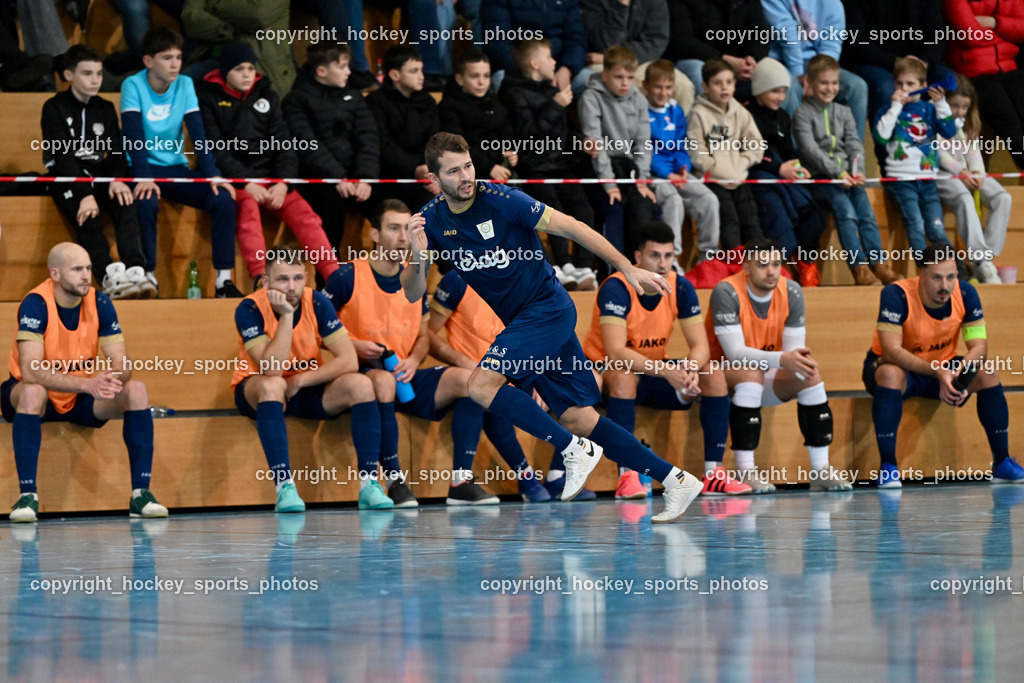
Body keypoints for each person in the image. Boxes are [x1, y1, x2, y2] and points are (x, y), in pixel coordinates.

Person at [404, 132, 704, 523]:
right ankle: (677, 480)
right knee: (579, 417)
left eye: (468, 166)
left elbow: (574, 227)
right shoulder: (430, 221)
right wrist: (418, 255)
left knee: (479, 385)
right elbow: (413, 292)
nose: (465, 177)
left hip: (548, 309)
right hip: (526, 322)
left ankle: (572, 449)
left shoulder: (504, 199)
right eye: (453, 171)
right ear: (433, 178)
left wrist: (627, 268)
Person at [324, 199, 500, 507]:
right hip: (362, 374)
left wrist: (415, 360)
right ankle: (394, 481)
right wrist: (352, 347)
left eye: (407, 229)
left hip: (404, 371)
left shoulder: (415, 277)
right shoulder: (346, 276)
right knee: (382, 381)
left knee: (469, 380)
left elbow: (423, 335)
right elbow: (317, 330)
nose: (402, 237)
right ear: (374, 234)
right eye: (393, 228)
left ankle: (460, 480)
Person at [581, 221, 751, 498]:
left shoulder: (680, 287)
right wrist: (666, 371)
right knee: (624, 376)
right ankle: (627, 476)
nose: (662, 264)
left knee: (712, 373)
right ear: (638, 257)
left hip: (653, 371)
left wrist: (690, 368)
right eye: (654, 255)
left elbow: (700, 346)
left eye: (668, 256)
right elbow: (616, 352)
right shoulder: (617, 287)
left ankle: (714, 474)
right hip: (607, 372)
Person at [2, 243, 169, 523]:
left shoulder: (100, 302)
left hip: (79, 396)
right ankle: (27, 496)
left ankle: (141, 494)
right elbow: (31, 371)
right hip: (36, 396)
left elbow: (123, 365)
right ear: (55, 274)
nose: (86, 276)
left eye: (89, 268)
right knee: (33, 393)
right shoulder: (36, 303)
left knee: (136, 390)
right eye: (77, 269)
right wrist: (87, 385)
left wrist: (111, 378)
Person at [231, 247, 387, 512]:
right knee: (273, 385)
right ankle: (284, 487)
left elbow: (349, 360)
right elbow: (271, 368)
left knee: (361, 384)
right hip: (259, 388)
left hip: (305, 385)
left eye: (297, 278)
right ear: (266, 281)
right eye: (282, 279)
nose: (291, 287)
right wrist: (286, 315)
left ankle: (369, 484)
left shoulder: (317, 302)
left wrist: (301, 380)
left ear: (306, 277)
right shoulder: (249, 308)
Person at [863, 244, 1024, 487]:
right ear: (921, 274)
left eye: (951, 277)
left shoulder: (966, 293)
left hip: (944, 368)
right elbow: (891, 351)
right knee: (889, 374)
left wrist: (961, 375)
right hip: (901, 368)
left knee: (987, 372)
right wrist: (937, 372)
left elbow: (979, 348)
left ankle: (1001, 462)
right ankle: (888, 467)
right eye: (936, 278)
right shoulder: (896, 294)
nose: (945, 286)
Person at [705, 237, 854, 493]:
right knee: (750, 373)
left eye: (776, 264)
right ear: (746, 266)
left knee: (809, 373)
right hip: (718, 376)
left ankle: (821, 469)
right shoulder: (726, 291)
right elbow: (735, 354)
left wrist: (792, 361)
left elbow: (794, 353)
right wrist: (783, 359)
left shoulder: (791, 291)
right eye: (762, 265)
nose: (771, 271)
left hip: (761, 376)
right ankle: (745, 470)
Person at [197, 42, 339, 290]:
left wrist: (283, 182)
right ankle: (260, 279)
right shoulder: (209, 98)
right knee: (248, 214)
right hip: (239, 182)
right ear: (225, 72)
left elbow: (284, 144)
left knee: (307, 217)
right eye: (239, 69)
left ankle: (334, 275)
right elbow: (216, 149)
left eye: (250, 68)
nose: (246, 74)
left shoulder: (267, 95)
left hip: (273, 180)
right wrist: (245, 183)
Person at [120, 27, 241, 297]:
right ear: (148, 61)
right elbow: (133, 135)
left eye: (178, 57)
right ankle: (149, 277)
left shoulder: (185, 84)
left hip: (176, 168)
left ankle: (223, 281)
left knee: (222, 197)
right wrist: (142, 176)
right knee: (145, 201)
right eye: (166, 58)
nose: (175, 64)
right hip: (142, 167)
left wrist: (213, 174)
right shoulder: (132, 85)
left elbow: (198, 132)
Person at [428, 268, 554, 502]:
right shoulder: (457, 280)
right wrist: (461, 360)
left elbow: (535, 338)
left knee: (573, 389)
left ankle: (558, 476)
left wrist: (540, 378)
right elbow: (427, 334)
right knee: (480, 389)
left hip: (512, 374)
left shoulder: (524, 280)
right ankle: (521, 476)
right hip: (471, 376)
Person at [42, 45, 154, 300]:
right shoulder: (53, 107)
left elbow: (115, 151)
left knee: (125, 200)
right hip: (66, 177)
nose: (95, 80)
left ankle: (136, 270)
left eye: (99, 74)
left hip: (98, 174)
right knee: (88, 215)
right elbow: (62, 158)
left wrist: (116, 180)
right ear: (69, 75)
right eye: (87, 74)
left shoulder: (105, 107)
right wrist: (84, 194)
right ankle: (109, 277)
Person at [498, 38, 600, 290]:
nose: (555, 62)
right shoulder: (514, 94)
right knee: (552, 212)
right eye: (549, 56)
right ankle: (564, 266)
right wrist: (555, 106)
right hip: (534, 168)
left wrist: (581, 141)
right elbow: (529, 137)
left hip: (561, 166)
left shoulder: (552, 92)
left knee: (585, 209)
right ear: (534, 63)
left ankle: (585, 267)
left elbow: (563, 132)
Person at [794, 55, 894, 286]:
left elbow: (854, 143)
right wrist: (839, 173)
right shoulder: (802, 114)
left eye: (834, 82)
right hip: (823, 177)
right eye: (824, 82)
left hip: (849, 175)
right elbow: (810, 151)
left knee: (866, 214)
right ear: (810, 83)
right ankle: (859, 268)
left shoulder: (843, 111)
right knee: (846, 212)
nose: (830, 88)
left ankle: (879, 264)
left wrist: (857, 169)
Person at [282, 41, 379, 252]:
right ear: (321, 71)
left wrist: (365, 177)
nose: (348, 72)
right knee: (330, 210)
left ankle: (387, 269)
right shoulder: (296, 100)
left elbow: (368, 138)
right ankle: (329, 272)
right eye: (342, 66)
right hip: (316, 178)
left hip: (354, 177)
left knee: (387, 208)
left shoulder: (354, 97)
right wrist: (336, 177)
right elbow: (306, 144)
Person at [745, 57, 825, 286]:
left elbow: (788, 149)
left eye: (783, 91)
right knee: (778, 216)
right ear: (760, 89)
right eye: (774, 91)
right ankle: (777, 269)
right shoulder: (747, 114)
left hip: (783, 174)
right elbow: (751, 153)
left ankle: (806, 264)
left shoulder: (782, 116)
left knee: (814, 211)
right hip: (759, 174)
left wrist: (797, 166)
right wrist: (779, 167)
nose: (780, 97)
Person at [874, 56, 958, 266]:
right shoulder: (886, 110)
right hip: (901, 181)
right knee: (916, 225)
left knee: (937, 229)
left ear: (923, 85)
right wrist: (895, 107)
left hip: (928, 181)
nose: (904, 89)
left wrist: (941, 104)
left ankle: (954, 272)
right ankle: (925, 272)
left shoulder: (930, 110)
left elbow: (949, 132)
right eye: (899, 84)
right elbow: (881, 138)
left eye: (910, 84)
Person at [579, 44, 657, 258]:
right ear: (604, 74)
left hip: (628, 167)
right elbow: (596, 144)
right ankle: (613, 267)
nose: (625, 83)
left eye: (630, 78)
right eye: (619, 77)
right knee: (613, 207)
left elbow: (643, 143)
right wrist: (610, 184)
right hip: (599, 167)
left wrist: (642, 179)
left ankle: (638, 265)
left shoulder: (639, 99)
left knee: (643, 204)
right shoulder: (591, 97)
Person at [643, 58, 720, 268]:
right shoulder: (640, 110)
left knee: (709, 199)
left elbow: (680, 144)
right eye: (658, 87)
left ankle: (708, 258)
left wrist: (683, 167)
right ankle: (672, 259)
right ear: (646, 86)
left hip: (676, 172)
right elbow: (643, 150)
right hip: (653, 175)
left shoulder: (675, 110)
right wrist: (668, 174)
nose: (663, 92)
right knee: (673, 200)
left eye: (668, 87)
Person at [935, 74, 1009, 284]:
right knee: (965, 199)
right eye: (955, 106)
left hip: (966, 172)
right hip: (944, 173)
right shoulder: (934, 118)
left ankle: (986, 259)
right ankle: (980, 257)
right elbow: (938, 152)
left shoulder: (967, 124)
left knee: (1002, 197)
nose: (960, 111)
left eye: (964, 107)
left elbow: (973, 151)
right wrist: (960, 171)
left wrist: (977, 172)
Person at [687, 59, 763, 250]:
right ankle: (734, 263)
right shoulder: (697, 114)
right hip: (713, 180)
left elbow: (756, 145)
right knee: (730, 222)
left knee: (751, 221)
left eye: (729, 82)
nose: (724, 87)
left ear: (735, 84)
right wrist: (715, 168)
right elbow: (697, 153)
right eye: (717, 83)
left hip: (738, 178)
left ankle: (760, 262)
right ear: (705, 86)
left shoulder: (740, 112)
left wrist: (742, 162)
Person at [943, 0, 1024, 170]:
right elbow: (970, 35)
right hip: (973, 70)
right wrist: (1007, 35)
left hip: (1009, 66)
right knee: (1010, 125)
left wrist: (995, 23)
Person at [366, 45, 440, 212]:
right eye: (414, 71)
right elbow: (383, 144)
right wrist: (413, 168)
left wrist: (432, 173)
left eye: (421, 70)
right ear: (394, 75)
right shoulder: (376, 102)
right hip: (390, 176)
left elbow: (434, 140)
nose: (421, 76)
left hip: (424, 173)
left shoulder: (427, 102)